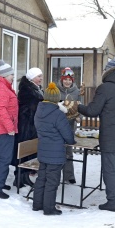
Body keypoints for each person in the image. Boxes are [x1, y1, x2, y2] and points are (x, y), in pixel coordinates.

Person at [72, 55, 115, 212]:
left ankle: (112, 202)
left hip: (111, 136)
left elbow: (92, 111)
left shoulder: (105, 88)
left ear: (108, 72)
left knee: (110, 168)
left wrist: (78, 106)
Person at [32, 82, 76, 215]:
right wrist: (72, 141)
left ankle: (37, 204)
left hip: (43, 151)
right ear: (57, 99)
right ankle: (49, 208)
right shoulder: (57, 114)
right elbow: (67, 134)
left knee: (41, 179)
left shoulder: (39, 111)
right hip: (55, 154)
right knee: (52, 181)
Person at [0, 59, 19, 199]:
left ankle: (0, 183)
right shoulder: (1, 88)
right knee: (4, 159)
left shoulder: (5, 86)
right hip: (4, 130)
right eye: (11, 74)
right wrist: (9, 127)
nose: (13, 77)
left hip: (5, 129)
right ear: (4, 75)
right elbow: (1, 110)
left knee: (5, 158)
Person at [12, 67, 44, 188]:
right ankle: (19, 178)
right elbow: (31, 107)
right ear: (31, 78)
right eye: (38, 76)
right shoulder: (26, 90)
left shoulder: (35, 88)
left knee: (28, 151)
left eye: (41, 76)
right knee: (23, 151)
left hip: (31, 125)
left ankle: (24, 177)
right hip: (26, 125)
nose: (41, 78)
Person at [56, 67, 80, 184]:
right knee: (56, 150)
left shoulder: (76, 91)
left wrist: (79, 116)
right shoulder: (55, 90)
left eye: (70, 80)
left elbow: (79, 106)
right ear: (62, 79)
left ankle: (68, 175)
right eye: (65, 79)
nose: (67, 82)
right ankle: (54, 174)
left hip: (70, 125)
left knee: (68, 150)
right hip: (56, 125)